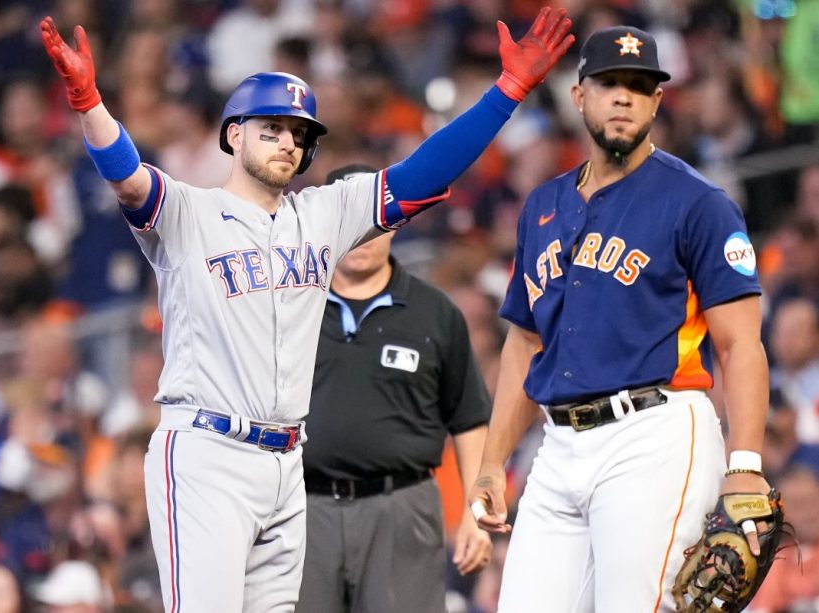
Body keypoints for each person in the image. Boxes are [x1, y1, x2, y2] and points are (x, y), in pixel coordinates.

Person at [39, 8, 574, 612]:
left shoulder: (323, 214)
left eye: (299, 134)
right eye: (272, 127)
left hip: (287, 465)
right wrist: (88, 102)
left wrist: (506, 95)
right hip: (206, 452)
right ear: (233, 133)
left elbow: (426, 169)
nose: (288, 142)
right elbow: (131, 180)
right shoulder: (188, 214)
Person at [467, 25, 773, 612]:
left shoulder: (698, 202)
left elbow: (740, 345)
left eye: (640, 86)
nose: (624, 97)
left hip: (653, 432)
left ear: (658, 101)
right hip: (557, 445)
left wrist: (746, 464)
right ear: (579, 96)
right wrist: (490, 463)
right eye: (610, 83)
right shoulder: (542, 206)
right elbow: (525, 343)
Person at [296, 164, 492, 613]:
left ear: (396, 220)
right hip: (302, 510)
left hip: (402, 509)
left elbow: (469, 420)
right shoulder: (289, 306)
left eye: (375, 214)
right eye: (350, 215)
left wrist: (475, 515)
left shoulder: (435, 312)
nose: (363, 231)